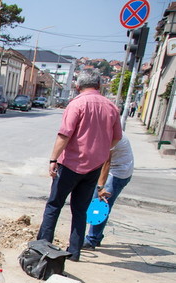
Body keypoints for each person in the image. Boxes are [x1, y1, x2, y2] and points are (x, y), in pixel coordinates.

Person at [37, 69, 122, 262]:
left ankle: (43, 247)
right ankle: (74, 252)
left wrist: (53, 159)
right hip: (94, 167)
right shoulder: (111, 107)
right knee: (80, 209)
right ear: (99, 86)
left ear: (77, 87)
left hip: (70, 164)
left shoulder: (77, 104)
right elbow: (117, 137)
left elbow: (65, 134)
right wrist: (100, 151)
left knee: (54, 205)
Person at [83, 133, 134, 250]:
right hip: (113, 167)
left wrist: (101, 187)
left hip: (119, 172)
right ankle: (96, 235)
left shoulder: (108, 134)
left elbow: (106, 162)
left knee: (101, 203)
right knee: (96, 201)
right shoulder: (103, 129)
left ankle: (92, 240)